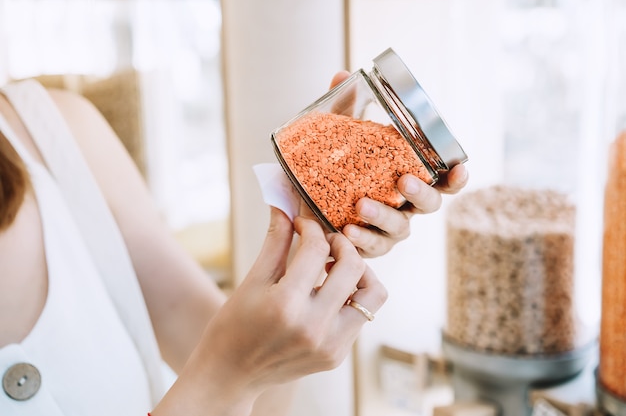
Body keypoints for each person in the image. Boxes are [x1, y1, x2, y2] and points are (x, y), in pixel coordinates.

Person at [0, 70, 468, 416]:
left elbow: (260, 396)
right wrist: (226, 377)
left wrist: (312, 242)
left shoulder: (52, 131)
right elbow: (232, 373)